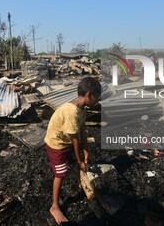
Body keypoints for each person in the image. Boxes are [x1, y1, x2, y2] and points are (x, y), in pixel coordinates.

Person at [45, 77, 101, 224]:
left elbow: (82, 130)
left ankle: (82, 182)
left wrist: (86, 151)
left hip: (66, 141)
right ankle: (55, 206)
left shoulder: (81, 109)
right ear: (89, 95)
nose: (98, 101)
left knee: (86, 159)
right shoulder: (71, 112)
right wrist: (79, 160)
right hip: (57, 145)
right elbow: (75, 140)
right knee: (61, 173)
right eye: (97, 97)